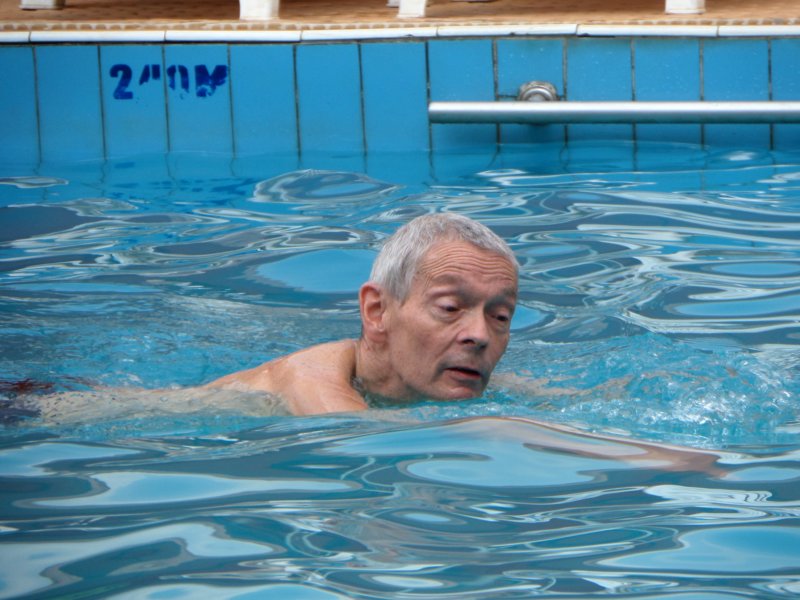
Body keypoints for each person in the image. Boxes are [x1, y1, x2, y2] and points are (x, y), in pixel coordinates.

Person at [204, 212, 519, 416]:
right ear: (377, 311)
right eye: (449, 308)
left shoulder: (473, 378)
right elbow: (366, 441)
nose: (479, 335)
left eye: (500, 317)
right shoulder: (308, 378)